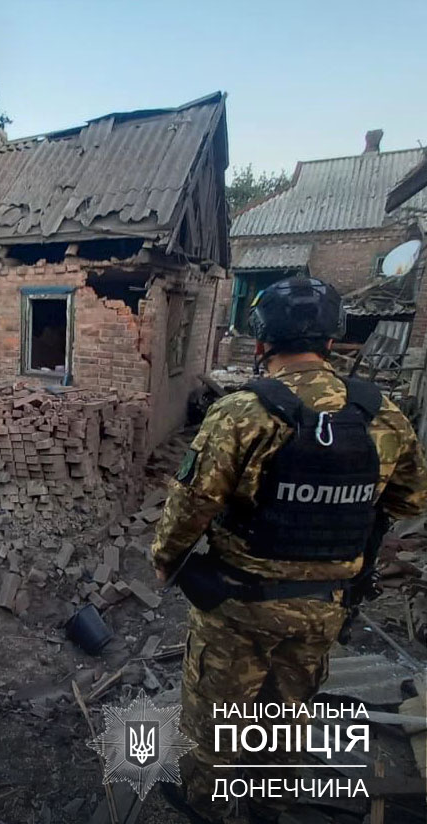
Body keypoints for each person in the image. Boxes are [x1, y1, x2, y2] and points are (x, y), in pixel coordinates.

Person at [150, 276, 427, 823]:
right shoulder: (382, 413)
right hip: (326, 605)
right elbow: (411, 499)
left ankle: (206, 805)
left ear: (261, 342)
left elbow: (192, 506)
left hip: (239, 605)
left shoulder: (242, 412)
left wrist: (165, 561)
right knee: (288, 712)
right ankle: (267, 804)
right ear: (332, 341)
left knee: (216, 713)